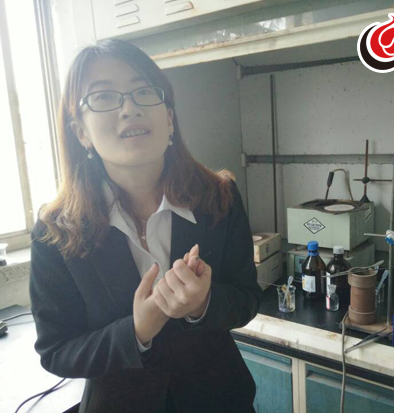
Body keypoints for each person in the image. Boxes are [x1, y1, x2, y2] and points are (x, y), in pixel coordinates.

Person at [29, 39, 262, 413]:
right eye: (104, 97)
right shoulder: (54, 232)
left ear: (169, 118)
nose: (129, 108)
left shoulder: (220, 197)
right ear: (81, 131)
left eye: (143, 91)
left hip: (220, 400)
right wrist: (135, 332)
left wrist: (203, 304)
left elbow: (247, 299)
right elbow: (57, 351)